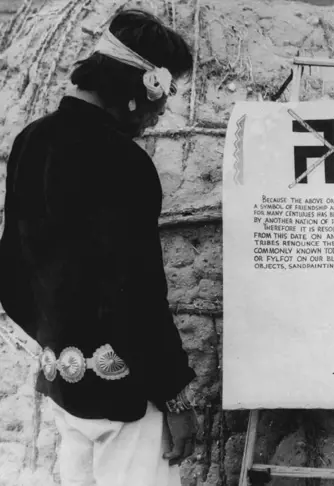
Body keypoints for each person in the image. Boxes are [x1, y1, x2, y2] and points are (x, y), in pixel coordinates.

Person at [0, 9, 203, 486]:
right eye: (164, 91)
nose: (162, 112)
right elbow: (138, 293)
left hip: (64, 388)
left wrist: (64, 345)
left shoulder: (30, 141)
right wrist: (174, 397)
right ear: (137, 88)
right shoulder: (123, 162)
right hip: (127, 399)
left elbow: (10, 272)